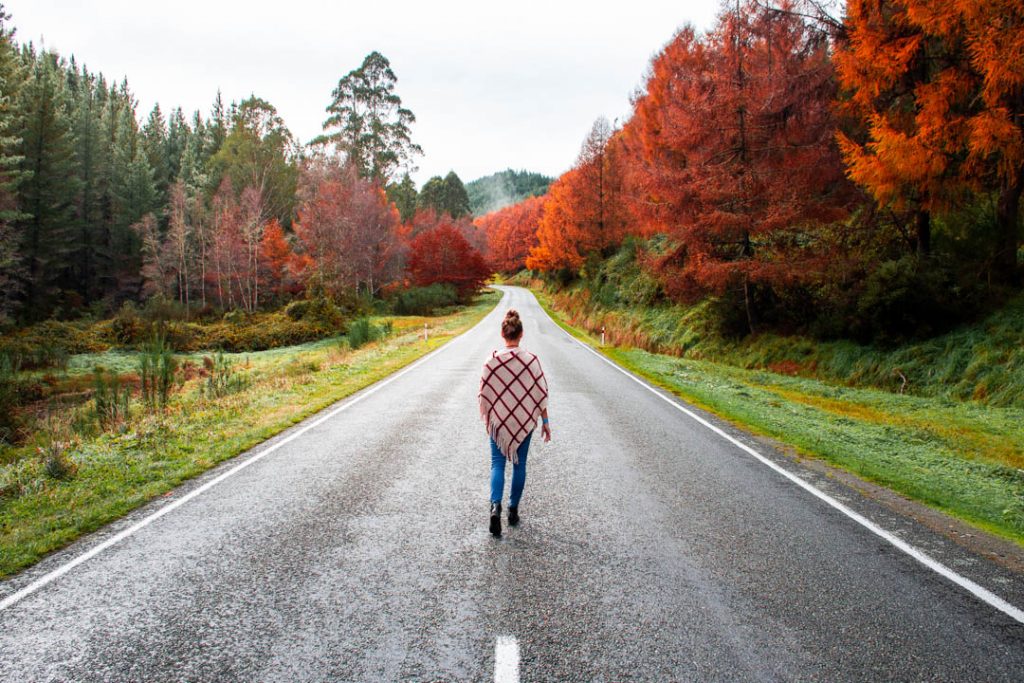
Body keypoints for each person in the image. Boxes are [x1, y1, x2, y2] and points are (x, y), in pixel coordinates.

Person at [478, 309, 551, 537]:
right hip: (523, 420)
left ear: (503, 334)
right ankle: (512, 510)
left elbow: (484, 394)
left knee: (497, 464)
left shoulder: (492, 361)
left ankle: (495, 507)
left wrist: (491, 416)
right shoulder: (531, 361)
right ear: (521, 334)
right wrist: (545, 421)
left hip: (499, 422)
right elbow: (540, 394)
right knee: (520, 465)